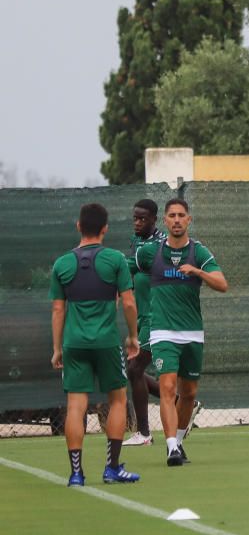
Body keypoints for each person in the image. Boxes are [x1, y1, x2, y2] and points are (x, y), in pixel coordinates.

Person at [49, 203, 140, 486]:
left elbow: (57, 310)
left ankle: (76, 474)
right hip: (106, 342)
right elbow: (128, 302)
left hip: (74, 343)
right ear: (105, 229)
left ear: (78, 226)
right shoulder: (115, 260)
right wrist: (133, 336)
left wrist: (57, 349)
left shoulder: (62, 263)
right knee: (117, 400)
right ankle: (111, 469)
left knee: (75, 405)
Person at [135, 198, 228, 467]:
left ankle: (178, 441)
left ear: (189, 220)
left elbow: (222, 284)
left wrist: (198, 271)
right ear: (165, 221)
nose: (176, 219)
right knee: (166, 386)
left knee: (188, 393)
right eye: (172, 215)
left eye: (181, 215)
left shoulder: (198, 252)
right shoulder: (149, 253)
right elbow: (129, 272)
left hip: (192, 333)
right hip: (162, 331)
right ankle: (171, 447)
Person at [122, 199, 167, 446]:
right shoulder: (138, 240)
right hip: (141, 318)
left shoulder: (153, 247)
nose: (137, 223)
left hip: (155, 317)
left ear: (154, 220)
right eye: (135, 218)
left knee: (135, 368)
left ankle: (144, 433)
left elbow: (123, 267)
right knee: (131, 367)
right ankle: (182, 401)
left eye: (142, 219)